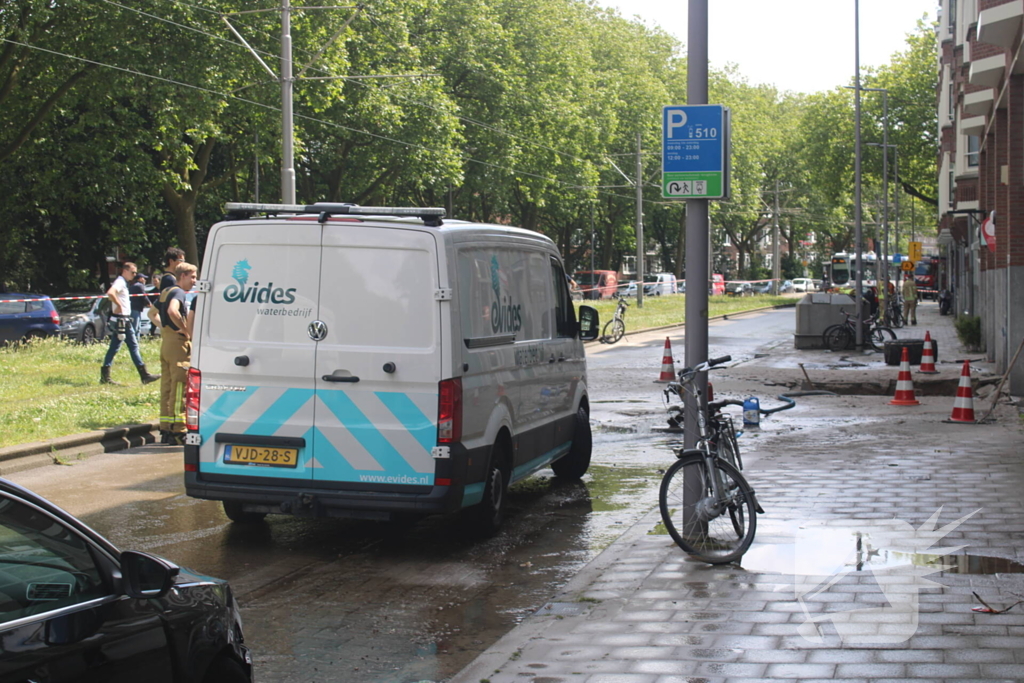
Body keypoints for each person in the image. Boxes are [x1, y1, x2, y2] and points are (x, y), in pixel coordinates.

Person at [100, 262, 160, 385]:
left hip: (121, 320)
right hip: (121, 320)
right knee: (133, 346)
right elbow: (110, 293)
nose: (134, 275)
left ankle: (105, 376)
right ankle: (144, 375)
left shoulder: (123, 282)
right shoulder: (120, 282)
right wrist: (119, 305)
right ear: (125, 271)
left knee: (114, 348)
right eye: (133, 272)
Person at [158, 262, 196, 445]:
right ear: (183, 276)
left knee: (166, 386)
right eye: (193, 277)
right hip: (177, 345)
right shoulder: (179, 292)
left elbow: (152, 313)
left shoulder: (165, 291)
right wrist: (185, 329)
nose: (194, 282)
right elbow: (173, 310)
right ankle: (178, 430)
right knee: (179, 386)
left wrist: (167, 329)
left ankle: (165, 428)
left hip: (166, 342)